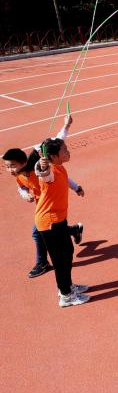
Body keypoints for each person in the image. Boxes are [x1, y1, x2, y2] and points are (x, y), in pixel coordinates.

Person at [2, 115, 83, 279]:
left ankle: (43, 263)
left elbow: (57, 142)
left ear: (23, 162)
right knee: (50, 232)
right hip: (43, 207)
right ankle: (74, 230)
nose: (9, 170)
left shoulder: (39, 169)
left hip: (51, 207)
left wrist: (66, 126)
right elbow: (21, 187)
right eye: (6, 167)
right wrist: (25, 194)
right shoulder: (19, 175)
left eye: (12, 166)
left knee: (38, 232)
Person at [34, 138, 90, 307]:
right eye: (64, 150)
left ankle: (68, 286)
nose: (68, 151)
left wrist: (76, 188)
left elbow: (63, 179)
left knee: (67, 252)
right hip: (49, 223)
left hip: (58, 219)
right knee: (60, 259)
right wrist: (41, 167)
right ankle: (65, 295)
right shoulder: (49, 171)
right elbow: (44, 174)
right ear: (53, 156)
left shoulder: (59, 167)